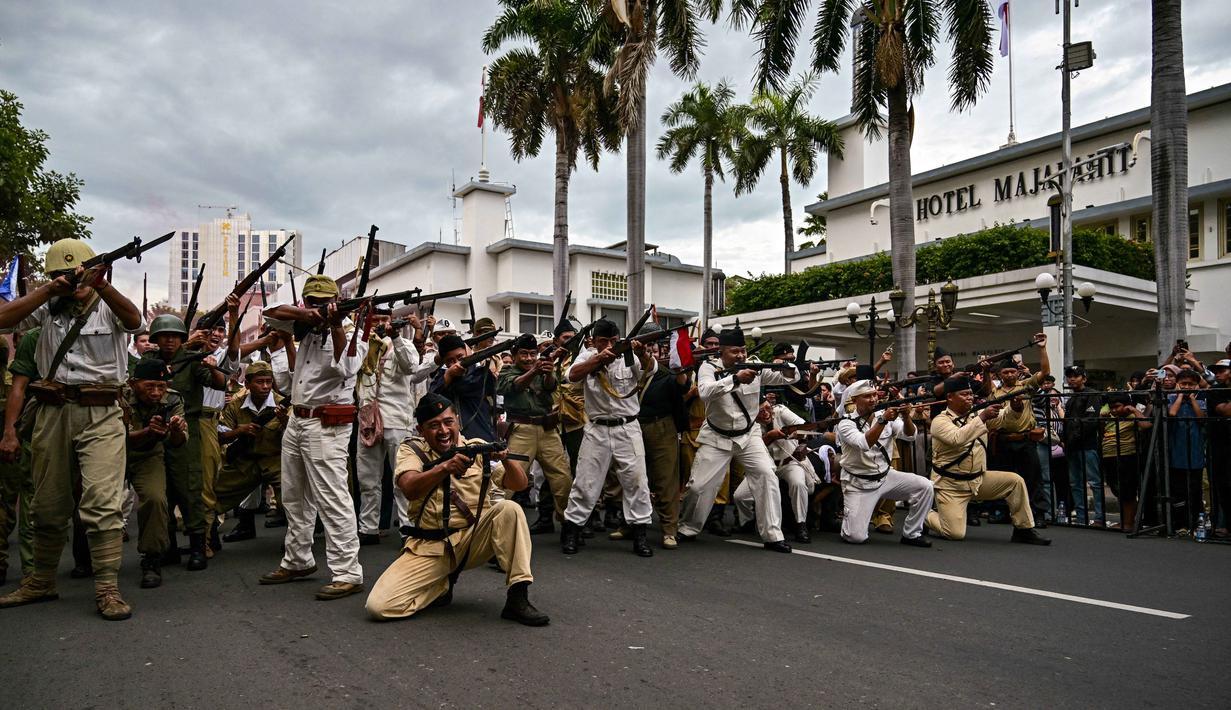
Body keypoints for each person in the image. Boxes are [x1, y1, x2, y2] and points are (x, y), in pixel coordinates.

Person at [0, 238, 144, 620]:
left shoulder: (108, 305)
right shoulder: (48, 306)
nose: (72, 281)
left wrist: (101, 285)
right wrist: (48, 290)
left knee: (103, 502)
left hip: (102, 412)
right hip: (53, 411)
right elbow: (3, 319)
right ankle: (40, 582)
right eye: (62, 274)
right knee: (46, 504)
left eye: (76, 273)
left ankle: (107, 588)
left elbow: (134, 320)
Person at [364, 393, 547, 625]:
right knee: (379, 607)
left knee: (509, 509)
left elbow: (519, 484)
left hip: (473, 539)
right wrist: (444, 468)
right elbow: (409, 488)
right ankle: (440, 585)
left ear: (458, 421)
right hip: (431, 547)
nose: (443, 431)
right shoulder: (412, 450)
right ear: (421, 430)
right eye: (434, 425)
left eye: (448, 422)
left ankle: (518, 596)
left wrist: (506, 458)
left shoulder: (477, 447)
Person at [257, 274, 365, 601]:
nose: (318, 305)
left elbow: (348, 367)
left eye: (324, 301)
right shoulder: (303, 326)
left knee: (332, 499)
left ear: (336, 302)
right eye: (312, 301)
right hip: (297, 419)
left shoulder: (353, 333)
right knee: (294, 497)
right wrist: (308, 315)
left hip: (326, 425)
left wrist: (335, 324)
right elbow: (269, 313)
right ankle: (298, 559)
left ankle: (347, 572)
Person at [678, 324, 802, 552]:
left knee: (767, 475)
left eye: (743, 350)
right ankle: (688, 527)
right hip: (717, 436)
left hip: (748, 435)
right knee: (699, 487)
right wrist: (735, 379)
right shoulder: (708, 367)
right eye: (734, 351)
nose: (741, 355)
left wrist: (785, 366)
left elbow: (790, 378)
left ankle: (773, 535)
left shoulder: (755, 365)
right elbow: (704, 392)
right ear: (722, 352)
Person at [558, 318, 656, 556]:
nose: (610, 345)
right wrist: (598, 359)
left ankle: (640, 532)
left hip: (628, 427)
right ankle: (572, 529)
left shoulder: (629, 355)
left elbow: (651, 369)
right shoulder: (587, 356)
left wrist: (642, 353)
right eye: (604, 341)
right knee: (586, 481)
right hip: (597, 429)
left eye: (614, 340)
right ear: (594, 341)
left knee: (637, 482)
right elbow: (571, 376)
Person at [926, 375, 1050, 545]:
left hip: (978, 479)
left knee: (1015, 482)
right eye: (964, 394)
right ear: (950, 397)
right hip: (951, 485)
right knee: (954, 533)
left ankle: (1024, 530)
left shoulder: (976, 414)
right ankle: (923, 514)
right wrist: (982, 417)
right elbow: (957, 438)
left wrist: (1014, 408)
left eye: (970, 393)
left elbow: (1002, 418)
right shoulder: (940, 421)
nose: (969, 397)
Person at [145, 312, 227, 570]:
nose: (169, 341)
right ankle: (167, 546)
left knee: (190, 488)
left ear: (181, 338)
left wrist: (212, 367)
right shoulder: (149, 360)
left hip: (187, 428)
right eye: (164, 336)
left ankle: (197, 546)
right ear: (156, 339)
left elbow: (220, 384)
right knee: (162, 491)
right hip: (155, 429)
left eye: (174, 336)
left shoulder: (193, 360)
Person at [356, 310, 434, 545]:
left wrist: (396, 338)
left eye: (384, 320)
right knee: (367, 478)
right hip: (368, 421)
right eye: (376, 320)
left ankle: (407, 529)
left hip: (396, 421)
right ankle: (368, 528)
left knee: (401, 477)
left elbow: (411, 368)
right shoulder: (361, 346)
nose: (380, 324)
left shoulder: (404, 344)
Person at [833, 379, 933, 546]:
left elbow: (910, 436)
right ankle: (850, 520)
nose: (873, 399)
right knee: (855, 537)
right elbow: (864, 443)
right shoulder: (846, 423)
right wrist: (883, 420)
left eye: (874, 395)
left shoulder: (884, 415)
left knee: (925, 486)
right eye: (867, 396)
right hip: (859, 483)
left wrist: (906, 416)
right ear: (855, 400)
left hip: (885, 477)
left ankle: (912, 533)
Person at [497, 334, 573, 535]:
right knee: (507, 479)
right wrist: (534, 371)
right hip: (521, 430)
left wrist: (547, 373)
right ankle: (495, 525)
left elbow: (551, 388)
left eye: (532, 354)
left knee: (562, 479)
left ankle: (569, 526)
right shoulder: (506, 370)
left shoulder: (543, 367)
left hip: (548, 430)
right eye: (524, 354)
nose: (529, 358)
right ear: (514, 355)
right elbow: (513, 386)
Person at [123, 359, 189, 588]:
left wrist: (176, 430)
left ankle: (152, 559)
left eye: (161, 386)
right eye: (149, 386)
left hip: (149, 456)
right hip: (114, 453)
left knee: (155, 499)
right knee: (94, 500)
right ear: (133, 383)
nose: (156, 392)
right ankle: (86, 556)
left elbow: (179, 442)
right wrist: (148, 432)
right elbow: (119, 437)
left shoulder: (172, 399)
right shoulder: (119, 397)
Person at [211, 361, 287, 542]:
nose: (265, 386)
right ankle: (208, 539)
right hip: (246, 461)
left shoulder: (282, 404)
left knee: (291, 497)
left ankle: (296, 541)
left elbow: (296, 437)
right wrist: (240, 431)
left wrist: (285, 422)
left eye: (268, 381)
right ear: (247, 384)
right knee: (212, 495)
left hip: (275, 461)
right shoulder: (236, 405)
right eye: (260, 382)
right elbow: (220, 435)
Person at [733, 399, 822, 544]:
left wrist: (798, 432)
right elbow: (747, 447)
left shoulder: (781, 411)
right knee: (740, 496)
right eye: (760, 411)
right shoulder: (748, 424)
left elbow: (803, 426)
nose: (766, 413)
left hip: (789, 463)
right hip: (764, 467)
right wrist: (769, 437)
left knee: (798, 484)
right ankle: (747, 522)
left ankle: (801, 525)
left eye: (767, 408)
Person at [989, 335, 1050, 523]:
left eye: (1012, 371)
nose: (1009, 375)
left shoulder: (1026, 386)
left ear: (1017, 373)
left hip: (1025, 440)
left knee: (1033, 479)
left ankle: (1038, 514)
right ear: (1000, 375)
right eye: (1005, 372)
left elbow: (1045, 372)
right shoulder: (995, 392)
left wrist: (1042, 349)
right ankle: (1003, 512)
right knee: (1003, 479)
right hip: (1003, 441)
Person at [0, 328, 39, 585]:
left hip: (32, 435)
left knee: (32, 504)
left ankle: (33, 570)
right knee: (6, 501)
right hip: (12, 436)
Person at [431, 334, 497, 442]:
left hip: (483, 436)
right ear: (445, 362)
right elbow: (432, 399)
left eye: (460, 357)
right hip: (453, 440)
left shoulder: (480, 373)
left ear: (467, 353)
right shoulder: (441, 378)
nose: (457, 363)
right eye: (450, 360)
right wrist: (448, 376)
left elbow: (468, 386)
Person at [1101, 392, 1151, 532]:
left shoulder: (1131, 416)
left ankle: (1128, 523)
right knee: (1118, 490)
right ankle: (1125, 521)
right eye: (1111, 407)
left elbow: (1146, 425)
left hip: (1126, 456)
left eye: (1117, 407)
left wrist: (1134, 410)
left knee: (1127, 491)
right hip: (1109, 455)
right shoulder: (1109, 417)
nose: (1114, 410)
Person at [1063, 366, 1105, 527]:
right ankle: (1081, 517)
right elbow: (1068, 422)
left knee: (1094, 482)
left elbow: (1090, 421)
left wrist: (1072, 438)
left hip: (1087, 445)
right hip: (1072, 445)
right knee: (1076, 483)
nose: (1072, 379)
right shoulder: (1071, 398)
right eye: (1069, 376)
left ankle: (1099, 517)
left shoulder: (1092, 394)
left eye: (1076, 376)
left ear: (1084, 378)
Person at [1167, 369, 1206, 533]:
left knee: (1195, 489)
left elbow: (1201, 418)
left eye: (1191, 384)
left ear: (1197, 385)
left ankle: (1196, 522)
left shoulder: (1201, 400)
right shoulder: (1170, 398)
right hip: (1177, 453)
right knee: (1178, 490)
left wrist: (1192, 399)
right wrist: (1180, 396)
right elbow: (1172, 413)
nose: (1187, 387)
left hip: (1195, 453)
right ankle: (1180, 523)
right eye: (1183, 384)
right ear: (1177, 384)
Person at [1206, 360, 1231, 537]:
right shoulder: (1216, 390)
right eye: (1216, 371)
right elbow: (1225, 411)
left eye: (1222, 370)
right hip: (1221, 445)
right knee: (1225, 487)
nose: (1218, 374)